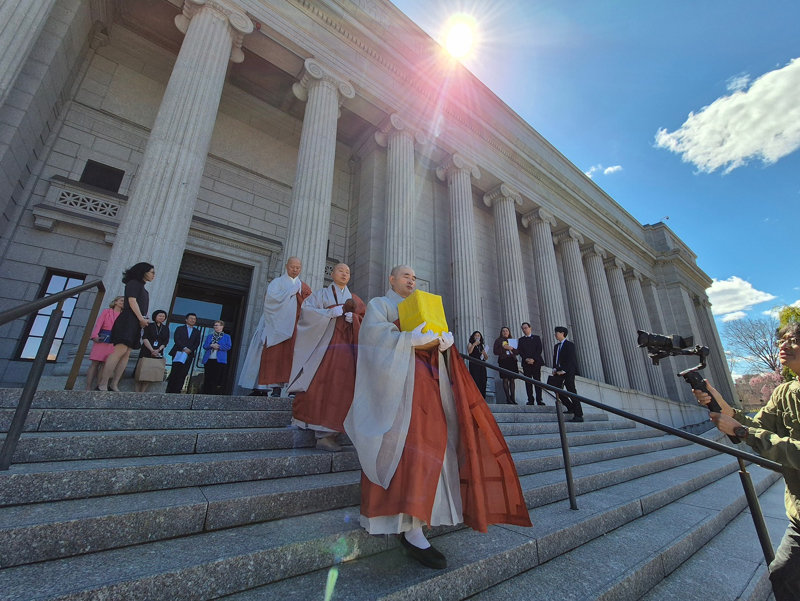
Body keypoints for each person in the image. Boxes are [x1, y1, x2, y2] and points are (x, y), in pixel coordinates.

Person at [344, 265, 531, 570]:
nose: (411, 280)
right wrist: (410, 340)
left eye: (415, 277)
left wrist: (445, 347)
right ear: (391, 279)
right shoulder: (381, 305)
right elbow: (373, 342)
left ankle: (420, 519)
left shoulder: (423, 307)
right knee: (405, 454)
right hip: (397, 395)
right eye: (405, 276)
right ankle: (408, 528)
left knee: (431, 453)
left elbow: (432, 347)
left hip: (428, 389)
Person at [693, 322, 800, 601]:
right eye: (782, 341)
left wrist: (742, 432)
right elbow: (756, 424)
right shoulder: (785, 392)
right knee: (783, 574)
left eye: (793, 340)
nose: (783, 346)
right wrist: (718, 403)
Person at [288, 263, 365, 451]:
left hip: (345, 352)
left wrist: (354, 320)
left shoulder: (355, 299)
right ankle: (309, 424)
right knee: (316, 384)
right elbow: (306, 313)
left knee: (340, 389)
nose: (345, 274)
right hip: (322, 348)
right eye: (341, 271)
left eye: (348, 272)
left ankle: (328, 434)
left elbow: (366, 321)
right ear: (332, 273)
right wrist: (329, 313)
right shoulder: (320, 295)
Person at [238, 257, 312, 396]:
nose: (295, 270)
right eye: (292, 267)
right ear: (286, 266)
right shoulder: (277, 283)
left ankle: (291, 388)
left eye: (298, 267)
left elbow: (309, 304)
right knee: (271, 355)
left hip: (295, 327)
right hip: (274, 324)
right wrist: (290, 292)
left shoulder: (303, 286)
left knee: (292, 357)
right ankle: (268, 388)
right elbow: (271, 299)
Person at [97, 263, 154, 391]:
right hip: (128, 320)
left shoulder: (144, 290)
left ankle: (114, 384)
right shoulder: (133, 283)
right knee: (119, 351)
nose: (153, 275)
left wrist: (143, 319)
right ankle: (103, 383)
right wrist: (140, 318)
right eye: (151, 272)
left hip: (137, 322)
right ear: (143, 272)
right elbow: (132, 301)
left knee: (126, 353)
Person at [85, 296, 123, 390]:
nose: (123, 303)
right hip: (102, 337)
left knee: (105, 364)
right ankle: (88, 386)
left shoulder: (123, 315)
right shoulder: (107, 311)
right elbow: (99, 323)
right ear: (115, 302)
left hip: (114, 340)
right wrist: (95, 336)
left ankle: (99, 385)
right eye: (121, 301)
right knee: (95, 363)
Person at [549, 326, 582, 421]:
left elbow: (571, 359)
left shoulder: (569, 345)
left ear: (562, 333)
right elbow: (556, 358)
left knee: (571, 391)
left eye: (556, 332)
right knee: (557, 390)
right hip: (558, 371)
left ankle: (579, 414)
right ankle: (570, 407)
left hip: (568, 371)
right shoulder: (556, 346)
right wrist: (554, 368)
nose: (555, 334)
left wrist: (564, 370)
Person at [134, 309, 169, 392]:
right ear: (155, 316)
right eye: (160, 316)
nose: (162, 317)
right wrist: (152, 350)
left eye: (163, 316)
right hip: (147, 350)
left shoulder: (165, 328)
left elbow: (165, 341)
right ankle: (136, 392)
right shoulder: (149, 325)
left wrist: (158, 350)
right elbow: (145, 338)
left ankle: (142, 392)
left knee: (150, 372)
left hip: (158, 352)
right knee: (141, 370)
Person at [166, 313, 201, 394]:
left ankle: (178, 391)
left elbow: (197, 343)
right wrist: (184, 348)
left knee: (183, 373)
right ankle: (169, 391)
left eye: (194, 319)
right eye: (191, 318)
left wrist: (190, 350)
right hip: (178, 353)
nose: (193, 320)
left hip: (189, 354)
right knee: (175, 372)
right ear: (186, 319)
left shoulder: (197, 331)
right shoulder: (180, 328)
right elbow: (176, 339)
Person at [200, 320, 232, 395]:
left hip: (219, 360)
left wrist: (219, 347)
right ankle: (205, 393)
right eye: (215, 325)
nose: (215, 327)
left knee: (216, 378)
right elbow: (205, 346)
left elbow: (228, 346)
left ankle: (213, 393)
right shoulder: (210, 336)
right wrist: (211, 345)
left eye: (217, 325)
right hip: (209, 359)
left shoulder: (227, 336)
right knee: (208, 377)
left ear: (222, 326)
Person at [518, 322, 545, 406]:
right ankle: (530, 400)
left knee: (537, 382)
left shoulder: (536, 338)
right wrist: (526, 359)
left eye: (526, 328)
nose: (524, 330)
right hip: (526, 363)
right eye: (523, 328)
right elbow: (520, 351)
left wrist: (533, 359)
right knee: (528, 382)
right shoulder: (521, 340)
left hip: (536, 363)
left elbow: (539, 349)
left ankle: (539, 400)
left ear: (530, 328)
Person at [493, 326, 519, 404]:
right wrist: (504, 348)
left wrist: (511, 349)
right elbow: (495, 351)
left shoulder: (512, 340)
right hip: (503, 361)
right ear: (501, 332)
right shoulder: (498, 340)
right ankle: (508, 398)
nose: (505, 332)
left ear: (509, 332)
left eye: (506, 331)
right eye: (503, 331)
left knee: (512, 379)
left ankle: (513, 398)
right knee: (505, 379)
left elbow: (517, 352)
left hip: (512, 361)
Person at [467, 331, 489, 399]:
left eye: (478, 335)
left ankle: (483, 397)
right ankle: (476, 397)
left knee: (483, 380)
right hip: (474, 365)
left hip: (482, 365)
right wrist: (474, 344)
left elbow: (486, 358)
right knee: (476, 380)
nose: (477, 337)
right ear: (473, 337)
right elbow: (469, 352)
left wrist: (484, 353)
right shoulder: (470, 343)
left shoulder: (481, 345)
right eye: (476, 335)